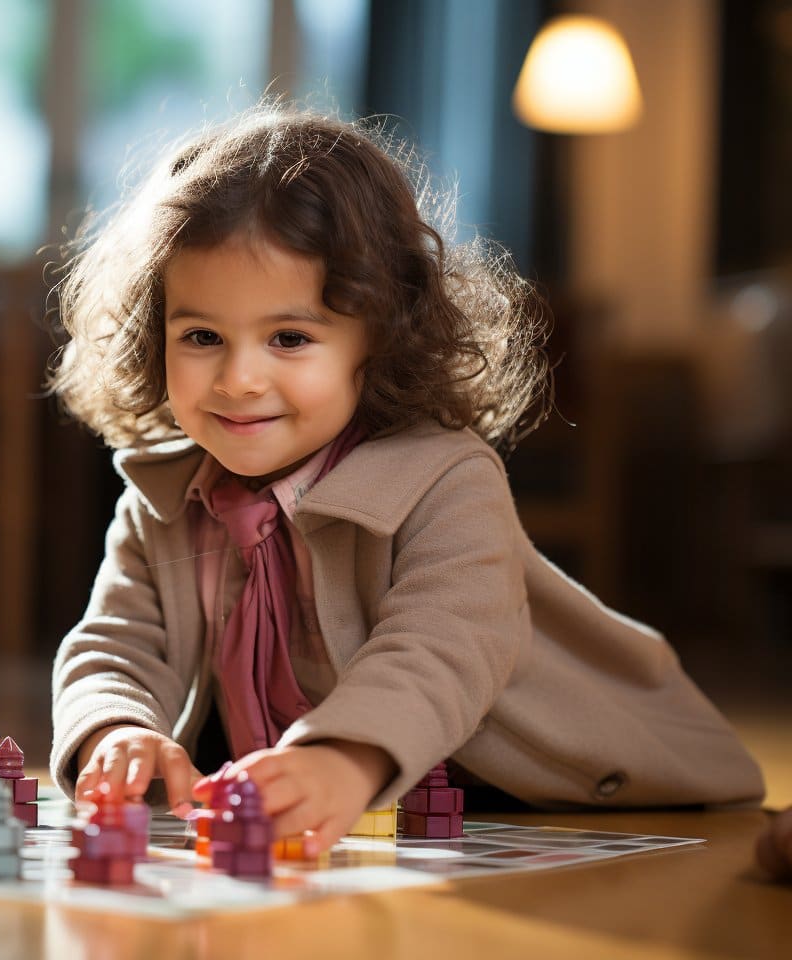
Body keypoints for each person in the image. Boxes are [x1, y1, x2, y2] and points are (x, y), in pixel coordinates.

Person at [47, 104, 764, 855]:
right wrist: (116, 727)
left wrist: (341, 758)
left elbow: (442, 647)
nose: (238, 377)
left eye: (289, 338)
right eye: (201, 337)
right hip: (366, 818)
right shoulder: (161, 498)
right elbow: (118, 642)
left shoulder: (448, 477)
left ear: (383, 337)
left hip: (572, 791)